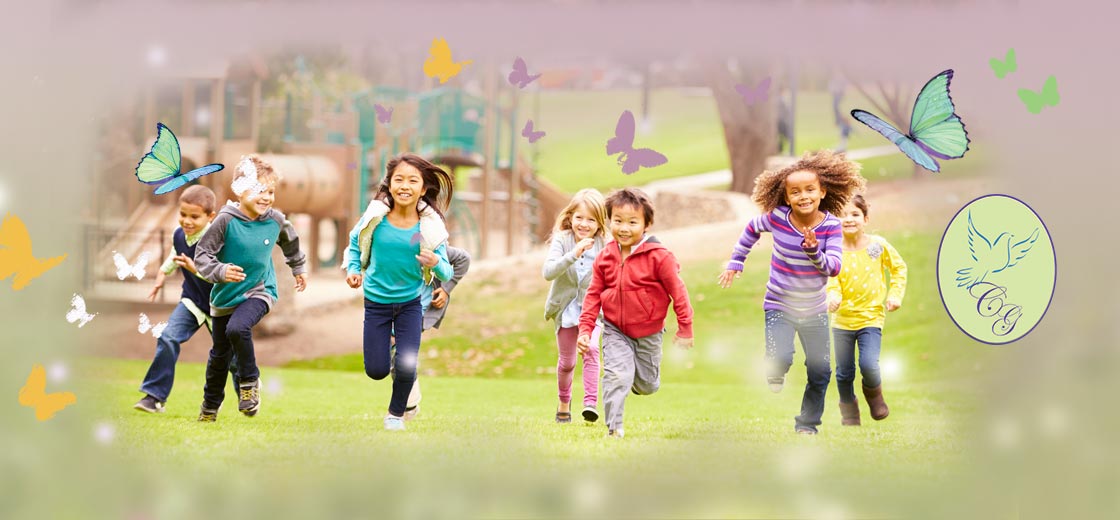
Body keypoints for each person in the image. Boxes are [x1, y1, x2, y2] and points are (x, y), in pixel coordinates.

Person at [718, 150, 865, 434]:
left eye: (810, 190)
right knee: (781, 357)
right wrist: (737, 260)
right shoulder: (777, 218)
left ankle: (807, 425)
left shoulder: (831, 227)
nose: (803, 196)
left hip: (814, 310)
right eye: (795, 192)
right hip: (779, 303)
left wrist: (813, 252)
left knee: (821, 372)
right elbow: (751, 228)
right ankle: (775, 370)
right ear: (786, 197)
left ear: (822, 192)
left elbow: (833, 268)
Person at [345, 153, 454, 431]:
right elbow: (356, 244)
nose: (405, 186)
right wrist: (353, 269)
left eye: (412, 181)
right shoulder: (375, 218)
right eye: (399, 179)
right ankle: (397, 375)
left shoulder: (428, 227)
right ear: (390, 184)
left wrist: (436, 263)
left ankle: (395, 415)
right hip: (376, 303)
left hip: (410, 304)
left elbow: (447, 273)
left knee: (406, 364)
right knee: (377, 370)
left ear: (424, 187)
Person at [194, 156, 308, 421]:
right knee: (219, 357)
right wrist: (221, 271)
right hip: (224, 298)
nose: (266, 197)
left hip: (261, 290)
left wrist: (298, 268)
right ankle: (210, 406)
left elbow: (290, 241)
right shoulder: (225, 220)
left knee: (238, 327)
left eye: (270, 191)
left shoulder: (275, 220)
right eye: (259, 190)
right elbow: (203, 256)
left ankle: (249, 384)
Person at [577, 188, 694, 439]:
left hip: (649, 332)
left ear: (646, 224)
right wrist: (585, 330)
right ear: (609, 222)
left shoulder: (659, 257)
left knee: (647, 385)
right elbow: (593, 295)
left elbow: (679, 292)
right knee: (617, 375)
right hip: (614, 329)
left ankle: (637, 381)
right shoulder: (605, 257)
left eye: (632, 222)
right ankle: (614, 428)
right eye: (617, 221)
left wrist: (686, 328)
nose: (624, 228)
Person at [133, 185, 238, 413]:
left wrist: (195, 269)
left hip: (219, 307)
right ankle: (154, 397)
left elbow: (224, 276)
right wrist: (162, 275)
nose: (187, 221)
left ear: (210, 217)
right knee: (168, 337)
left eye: (194, 217)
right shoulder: (180, 234)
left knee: (232, 359)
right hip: (191, 302)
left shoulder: (217, 240)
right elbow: (174, 255)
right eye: (183, 215)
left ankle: (248, 392)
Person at [827, 194, 907, 425]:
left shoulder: (877, 246)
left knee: (869, 364)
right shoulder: (834, 251)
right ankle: (849, 412)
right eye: (842, 215)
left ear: (866, 218)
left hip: (870, 318)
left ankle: (875, 396)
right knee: (844, 373)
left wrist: (895, 295)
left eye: (854, 214)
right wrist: (832, 296)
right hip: (842, 322)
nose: (849, 219)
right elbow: (830, 278)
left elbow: (899, 267)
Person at [543, 188, 608, 424]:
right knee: (567, 363)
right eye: (579, 217)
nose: (584, 224)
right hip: (565, 309)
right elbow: (548, 273)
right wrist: (574, 253)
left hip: (593, 311)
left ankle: (590, 404)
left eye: (591, 219)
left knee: (591, 349)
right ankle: (563, 401)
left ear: (599, 224)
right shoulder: (562, 240)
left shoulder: (604, 245)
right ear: (570, 217)